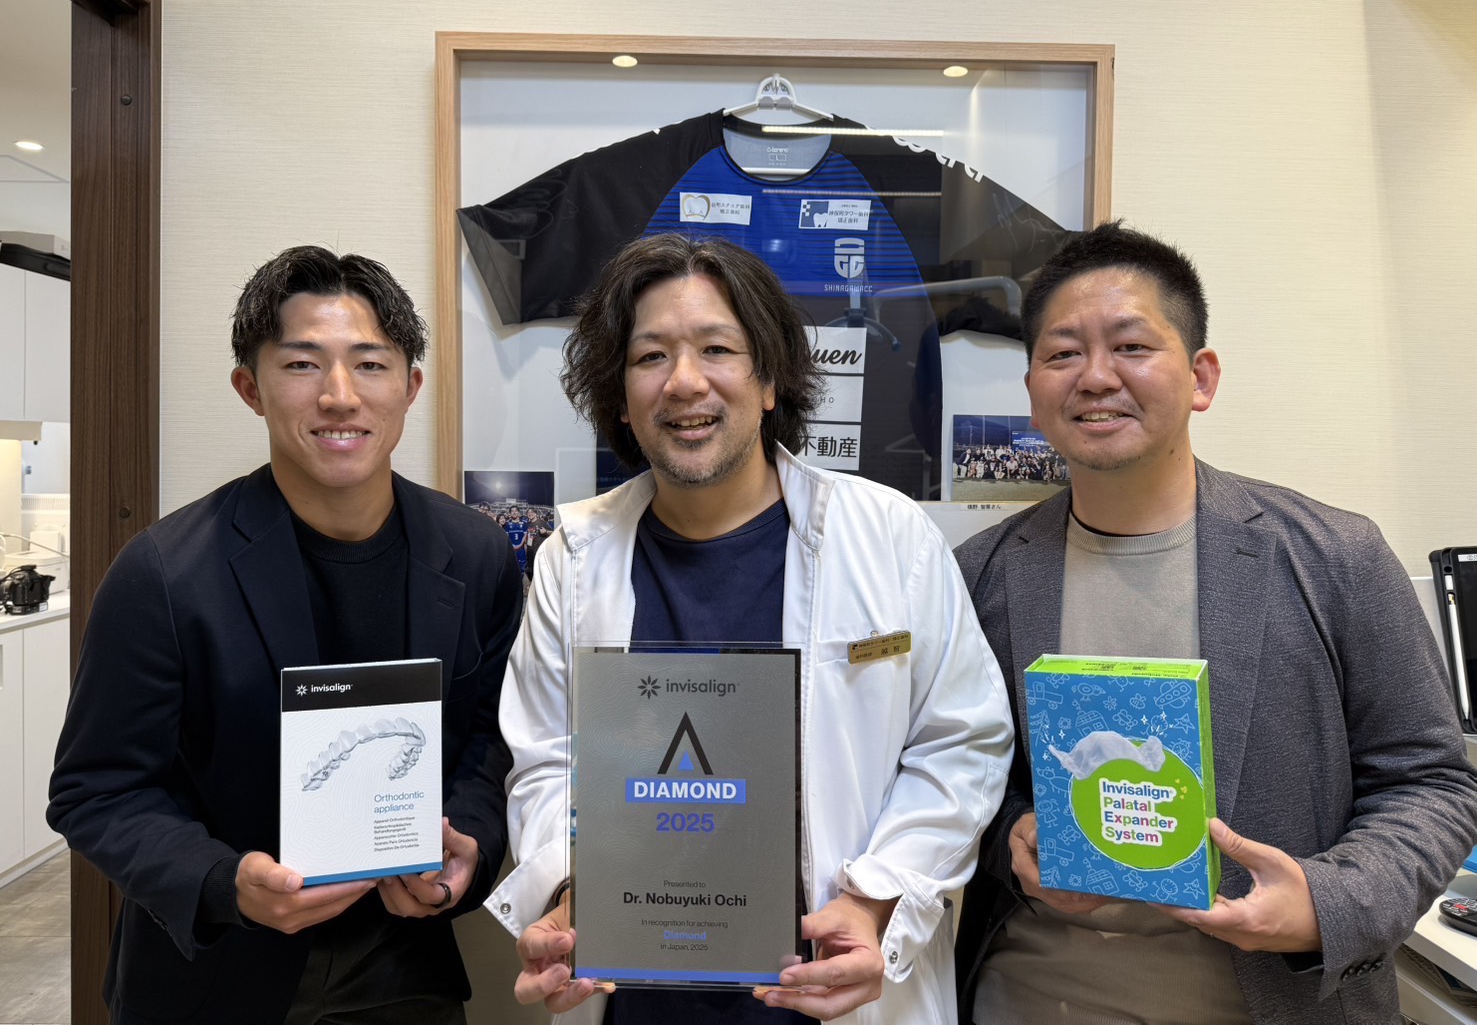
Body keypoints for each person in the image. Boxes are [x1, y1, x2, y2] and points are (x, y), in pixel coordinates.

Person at [952, 221, 1477, 1024]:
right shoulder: (978, 574)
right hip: (1027, 999)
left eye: (1130, 347)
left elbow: (1431, 779)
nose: (1095, 377)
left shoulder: (1334, 555)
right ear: (1032, 390)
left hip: (1282, 1003)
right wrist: (1013, 835)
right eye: (1061, 355)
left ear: (1200, 377)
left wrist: (1327, 901)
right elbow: (962, 778)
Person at [493, 232, 1014, 1024]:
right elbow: (544, 762)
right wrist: (571, 894)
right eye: (650, 357)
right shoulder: (573, 559)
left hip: (828, 992)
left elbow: (961, 740)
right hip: (636, 1001)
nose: (684, 382)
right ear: (621, 397)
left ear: (769, 380)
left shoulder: (888, 539)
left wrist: (875, 900)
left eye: (717, 349)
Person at [48, 246, 523, 1024]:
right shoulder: (164, 572)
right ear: (251, 388)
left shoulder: (474, 554)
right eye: (302, 364)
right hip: (215, 979)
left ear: (409, 387)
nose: (339, 395)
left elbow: (490, 740)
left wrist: (468, 838)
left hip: (404, 970)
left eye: (370, 364)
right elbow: (97, 790)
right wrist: (222, 882)